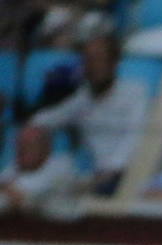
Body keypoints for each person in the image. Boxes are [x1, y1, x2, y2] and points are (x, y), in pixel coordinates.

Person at [29, 34, 147, 195]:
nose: (94, 66)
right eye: (89, 60)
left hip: (125, 174)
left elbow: (134, 137)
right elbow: (47, 119)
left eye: (99, 59)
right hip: (92, 175)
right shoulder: (82, 98)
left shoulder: (134, 93)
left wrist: (112, 169)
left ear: (114, 62)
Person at [0, 124, 78, 215]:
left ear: (45, 148)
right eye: (19, 145)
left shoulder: (62, 165)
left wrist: (6, 188)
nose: (21, 150)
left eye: (28, 145)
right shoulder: (15, 167)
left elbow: (20, 195)